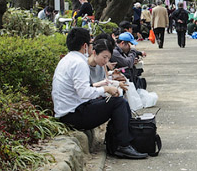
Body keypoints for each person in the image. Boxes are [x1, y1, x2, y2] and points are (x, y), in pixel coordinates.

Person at [52, 28, 146, 159]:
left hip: (69, 111)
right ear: (85, 46)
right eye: (90, 44)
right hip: (74, 115)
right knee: (118, 103)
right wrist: (106, 89)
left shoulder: (68, 59)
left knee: (117, 102)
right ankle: (122, 145)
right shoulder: (79, 63)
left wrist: (104, 87)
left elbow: (81, 90)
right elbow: (84, 92)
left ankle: (119, 141)